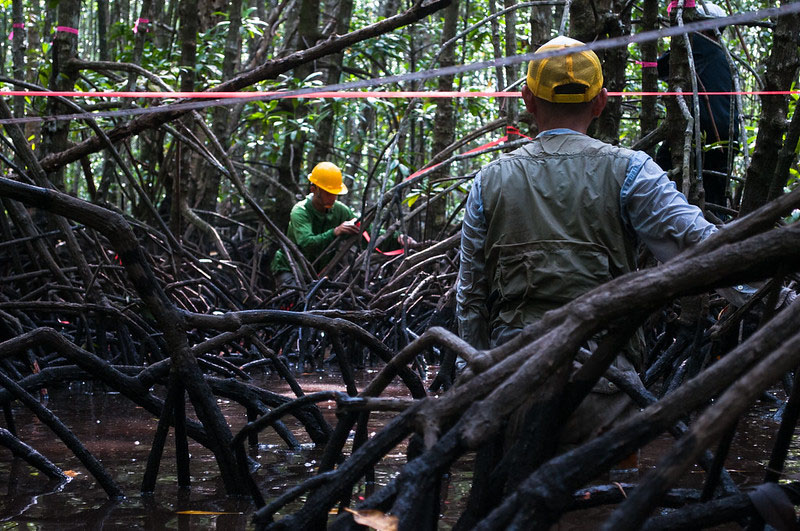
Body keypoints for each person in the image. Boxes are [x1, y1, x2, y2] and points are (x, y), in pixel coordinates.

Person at [456, 35, 718, 446]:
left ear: (527, 100)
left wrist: (475, 383)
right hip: (606, 388)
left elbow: (470, 294)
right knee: (610, 502)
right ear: (601, 102)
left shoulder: (488, 180)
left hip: (511, 385)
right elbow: (707, 249)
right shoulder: (633, 171)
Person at [271, 161, 413, 287]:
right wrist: (335, 232)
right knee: (290, 308)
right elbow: (306, 243)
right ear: (314, 189)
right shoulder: (300, 211)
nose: (333, 198)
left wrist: (397, 239)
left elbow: (366, 233)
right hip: (289, 268)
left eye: (335, 193)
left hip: (316, 273)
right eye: (328, 193)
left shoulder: (340, 211)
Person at [656, 2, 739, 208]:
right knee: (714, 195)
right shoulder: (721, 54)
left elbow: (661, 67)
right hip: (726, 137)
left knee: (665, 168)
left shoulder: (698, 46)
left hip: (704, 132)